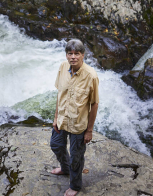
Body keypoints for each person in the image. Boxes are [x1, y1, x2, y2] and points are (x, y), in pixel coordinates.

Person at [50, 39, 99, 196]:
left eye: (76, 53)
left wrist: (89, 131)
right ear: (66, 55)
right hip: (63, 120)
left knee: (76, 158)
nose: (73, 57)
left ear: (83, 55)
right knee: (56, 145)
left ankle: (75, 186)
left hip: (78, 124)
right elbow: (60, 94)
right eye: (70, 53)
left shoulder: (91, 76)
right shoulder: (63, 67)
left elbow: (94, 104)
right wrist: (56, 117)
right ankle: (65, 169)